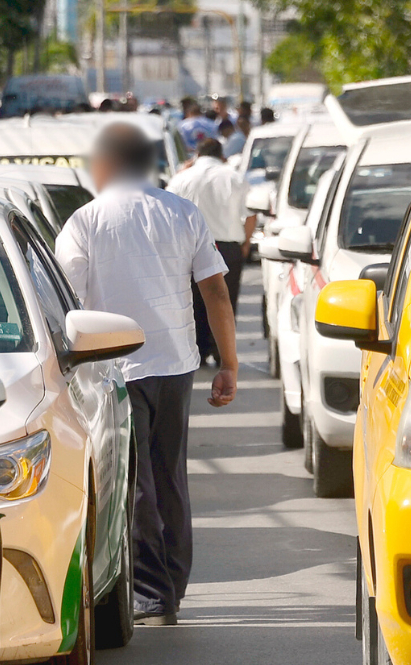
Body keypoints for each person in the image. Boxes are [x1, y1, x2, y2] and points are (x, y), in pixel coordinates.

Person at [56, 123, 239, 627]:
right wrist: (228, 362)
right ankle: (172, 584)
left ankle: (153, 595)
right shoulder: (181, 213)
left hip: (115, 367)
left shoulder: (84, 222)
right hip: (177, 365)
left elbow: (64, 304)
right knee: (169, 478)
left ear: (105, 166)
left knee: (134, 482)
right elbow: (216, 293)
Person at [167, 138, 253, 365]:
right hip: (227, 247)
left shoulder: (182, 178)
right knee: (225, 299)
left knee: (193, 301)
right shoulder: (234, 177)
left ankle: (199, 350)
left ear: (197, 154)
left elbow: (167, 211)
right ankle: (221, 351)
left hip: (189, 248)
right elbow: (251, 213)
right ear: (221, 154)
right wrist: (245, 244)